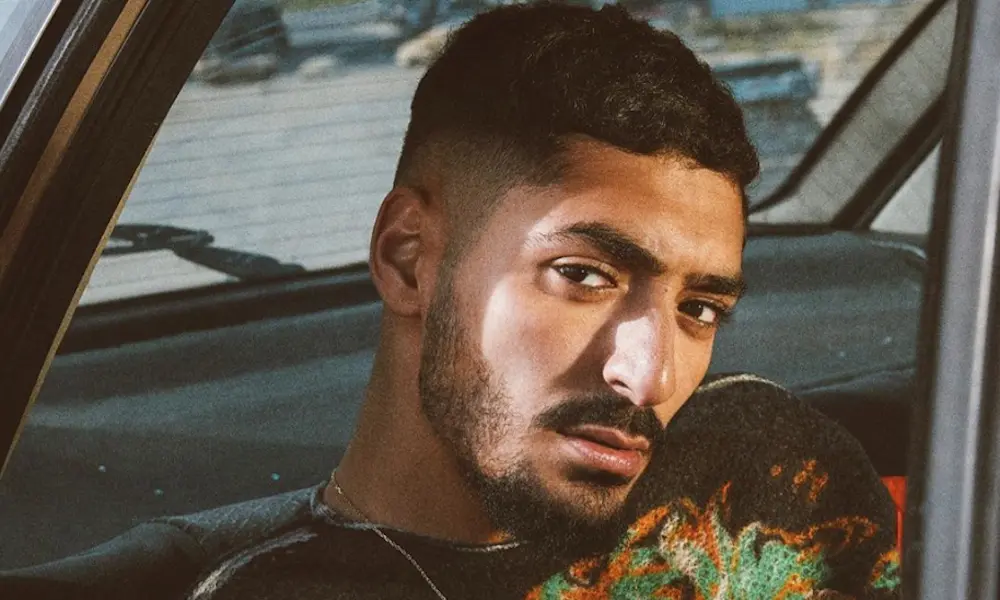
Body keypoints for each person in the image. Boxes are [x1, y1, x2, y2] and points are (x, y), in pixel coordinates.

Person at [3, 2, 901, 598]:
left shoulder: (774, 468)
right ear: (408, 260)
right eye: (584, 275)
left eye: (699, 308)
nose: (649, 374)